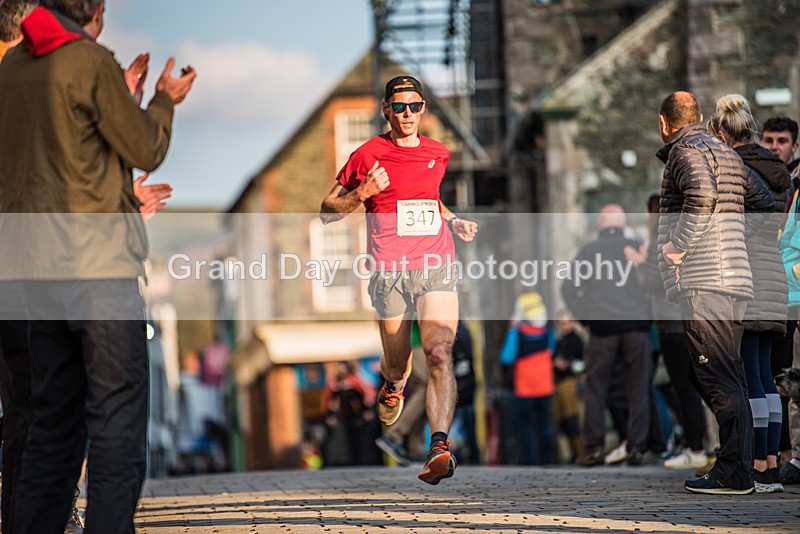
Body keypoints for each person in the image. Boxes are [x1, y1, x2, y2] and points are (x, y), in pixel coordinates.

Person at [0, 2, 196, 532]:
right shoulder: (88, 61)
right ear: (98, 9)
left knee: (47, 430)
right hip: (97, 273)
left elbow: (62, 158)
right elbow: (145, 145)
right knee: (116, 422)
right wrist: (162, 100)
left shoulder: (11, 69)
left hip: (23, 275)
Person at [320, 75, 478, 485]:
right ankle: (393, 385)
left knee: (440, 354)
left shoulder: (438, 153)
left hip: (436, 262)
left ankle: (439, 445)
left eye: (415, 106)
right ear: (387, 110)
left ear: (423, 109)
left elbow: (427, 198)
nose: (408, 113)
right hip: (389, 272)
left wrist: (452, 219)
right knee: (398, 362)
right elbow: (327, 210)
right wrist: (364, 192)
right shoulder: (368, 153)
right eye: (400, 106)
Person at [656, 91, 754, 495]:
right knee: (726, 374)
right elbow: (762, 200)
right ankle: (737, 467)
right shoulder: (726, 151)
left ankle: (734, 472)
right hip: (733, 278)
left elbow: (702, 196)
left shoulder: (685, 150)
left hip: (704, 280)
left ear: (664, 123)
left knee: (714, 374)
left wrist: (678, 246)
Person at [707, 94, 790, 493]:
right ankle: (771, 463)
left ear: (723, 133)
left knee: (747, 375)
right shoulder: (779, 168)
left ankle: (756, 462)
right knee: (764, 375)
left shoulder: (734, 166)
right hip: (775, 274)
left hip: (747, 276)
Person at [562, 204, 652, 467]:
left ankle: (593, 448)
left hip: (602, 330)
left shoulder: (588, 251)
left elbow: (568, 288)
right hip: (636, 328)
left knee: (595, 389)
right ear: (623, 225)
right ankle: (637, 446)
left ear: (600, 225)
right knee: (638, 389)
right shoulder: (638, 246)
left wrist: (586, 320)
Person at [626, 194, 709, 471]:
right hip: (688, 317)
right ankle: (701, 444)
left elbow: (652, 282)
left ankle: (695, 446)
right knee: (693, 383)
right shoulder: (685, 231)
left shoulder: (660, 237)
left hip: (670, 321)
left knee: (683, 386)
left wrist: (638, 265)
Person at [499, 292, 556, 465]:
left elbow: (506, 357)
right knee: (544, 425)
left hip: (525, 389)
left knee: (524, 426)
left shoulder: (518, 333)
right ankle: (546, 459)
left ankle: (529, 460)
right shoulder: (548, 333)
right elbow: (552, 351)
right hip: (545, 387)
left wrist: (511, 329)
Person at [374, 319, 429, 466]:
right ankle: (394, 435)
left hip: (415, 344)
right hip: (415, 344)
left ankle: (415, 449)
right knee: (425, 390)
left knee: (423, 393)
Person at [553, 312, 585, 463]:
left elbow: (580, 363)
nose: (564, 326)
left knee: (573, 418)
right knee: (564, 420)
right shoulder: (561, 340)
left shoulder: (576, 340)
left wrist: (567, 364)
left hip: (570, 381)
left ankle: (580, 451)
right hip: (559, 382)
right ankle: (573, 451)